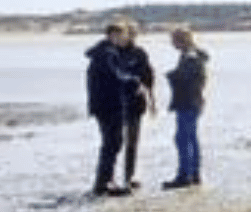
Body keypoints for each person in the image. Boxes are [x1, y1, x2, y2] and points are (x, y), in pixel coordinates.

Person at [83, 20, 141, 196]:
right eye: (121, 34)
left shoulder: (102, 51)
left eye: (123, 34)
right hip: (109, 105)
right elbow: (117, 76)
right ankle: (103, 184)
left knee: (111, 143)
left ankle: (106, 181)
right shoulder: (107, 53)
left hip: (103, 105)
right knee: (112, 143)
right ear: (112, 35)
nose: (124, 38)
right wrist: (134, 81)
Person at [161, 25, 209, 189]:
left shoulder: (190, 56)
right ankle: (194, 174)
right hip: (193, 101)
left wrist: (171, 75)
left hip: (187, 101)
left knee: (183, 139)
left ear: (181, 40)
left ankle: (185, 175)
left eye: (173, 40)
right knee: (190, 138)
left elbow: (188, 79)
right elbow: (199, 79)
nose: (172, 43)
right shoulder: (193, 55)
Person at [115, 22, 158, 189]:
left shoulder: (139, 53)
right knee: (114, 143)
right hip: (115, 104)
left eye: (134, 33)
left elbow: (149, 77)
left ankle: (129, 176)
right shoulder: (112, 52)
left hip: (135, 104)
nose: (131, 36)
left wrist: (152, 101)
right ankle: (109, 178)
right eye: (128, 32)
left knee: (132, 142)